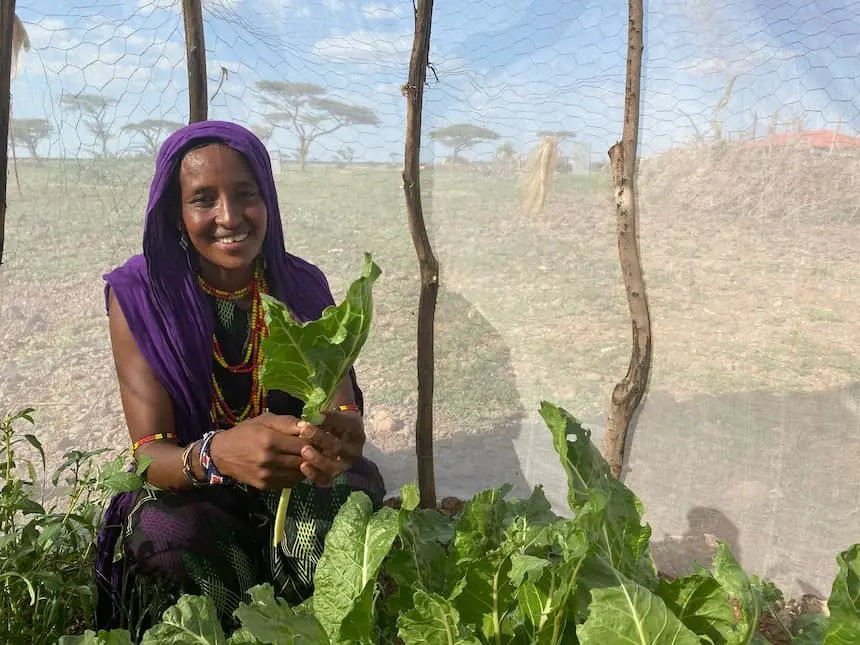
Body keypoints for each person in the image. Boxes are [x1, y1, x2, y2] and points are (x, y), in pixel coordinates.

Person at [93, 120, 386, 632]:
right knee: (163, 534)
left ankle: (315, 629)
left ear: (267, 199)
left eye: (245, 194)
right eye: (203, 199)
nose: (229, 217)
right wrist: (218, 453)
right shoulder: (140, 295)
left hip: (291, 484)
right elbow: (149, 454)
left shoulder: (300, 285)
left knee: (355, 488)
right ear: (177, 213)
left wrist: (342, 432)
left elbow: (339, 404)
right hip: (194, 487)